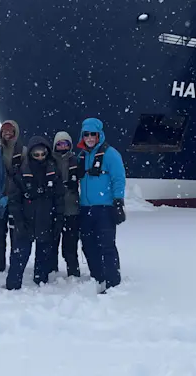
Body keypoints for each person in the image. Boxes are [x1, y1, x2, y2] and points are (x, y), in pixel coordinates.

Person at [5, 136, 64, 290]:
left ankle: (41, 285)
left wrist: (58, 220)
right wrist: (19, 221)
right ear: (30, 154)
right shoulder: (22, 172)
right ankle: (12, 286)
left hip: (46, 220)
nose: (39, 157)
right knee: (19, 255)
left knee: (44, 256)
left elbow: (59, 198)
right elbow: (14, 200)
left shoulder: (54, 171)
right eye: (36, 154)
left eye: (42, 154)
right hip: (26, 220)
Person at [77, 117, 126, 292]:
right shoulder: (82, 156)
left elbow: (118, 178)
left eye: (93, 134)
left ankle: (112, 282)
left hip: (104, 208)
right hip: (86, 208)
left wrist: (118, 202)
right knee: (88, 244)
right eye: (86, 134)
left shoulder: (110, 154)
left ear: (99, 135)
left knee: (106, 245)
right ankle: (97, 276)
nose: (90, 138)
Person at [0, 120, 25, 273]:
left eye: (10, 130)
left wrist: (13, 195)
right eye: (4, 130)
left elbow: (25, 177)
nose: (7, 133)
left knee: (16, 235)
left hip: (15, 200)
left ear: (16, 132)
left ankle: (16, 266)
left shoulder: (23, 152)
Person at [51, 131, 82, 277]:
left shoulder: (75, 160)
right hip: (53, 208)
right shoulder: (50, 161)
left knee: (70, 244)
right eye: (59, 144)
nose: (62, 146)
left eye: (65, 143)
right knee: (52, 243)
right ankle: (51, 271)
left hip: (71, 208)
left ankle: (73, 272)